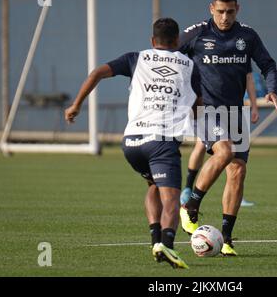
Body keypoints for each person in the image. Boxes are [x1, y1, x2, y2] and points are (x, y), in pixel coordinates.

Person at [65, 18, 203, 269]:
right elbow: (197, 105)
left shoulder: (135, 58)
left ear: (152, 41)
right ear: (177, 42)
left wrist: (76, 105)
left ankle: (155, 241)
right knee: (171, 198)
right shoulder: (189, 65)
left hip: (131, 142)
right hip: (161, 141)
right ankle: (169, 245)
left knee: (153, 184)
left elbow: (97, 73)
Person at [178, 0, 277, 256]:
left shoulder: (247, 36)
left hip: (235, 112)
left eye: (230, 12)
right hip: (207, 110)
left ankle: (226, 239)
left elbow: (268, 64)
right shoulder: (197, 33)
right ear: (211, 8)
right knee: (224, 152)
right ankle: (191, 205)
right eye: (220, 11)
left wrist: (272, 89)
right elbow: (171, 54)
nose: (225, 17)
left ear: (238, 9)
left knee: (237, 172)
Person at [180, 72, 260, 207]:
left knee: (228, 149)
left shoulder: (239, 55)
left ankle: (234, 193)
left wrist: (254, 104)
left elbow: (248, 77)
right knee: (206, 145)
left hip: (230, 108)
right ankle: (188, 190)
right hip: (207, 107)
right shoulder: (200, 54)